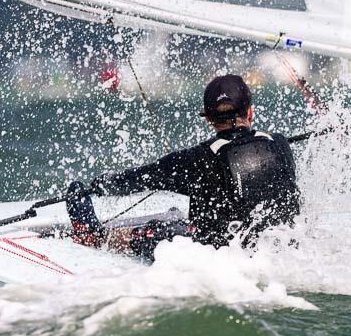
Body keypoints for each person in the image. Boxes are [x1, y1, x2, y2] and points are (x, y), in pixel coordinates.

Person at [65, 74, 300, 259]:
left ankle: (94, 236)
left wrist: (98, 185)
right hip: (278, 251)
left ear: (208, 118)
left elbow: (140, 178)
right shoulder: (280, 144)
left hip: (217, 258)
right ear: (250, 111)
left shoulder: (196, 159)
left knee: (160, 231)